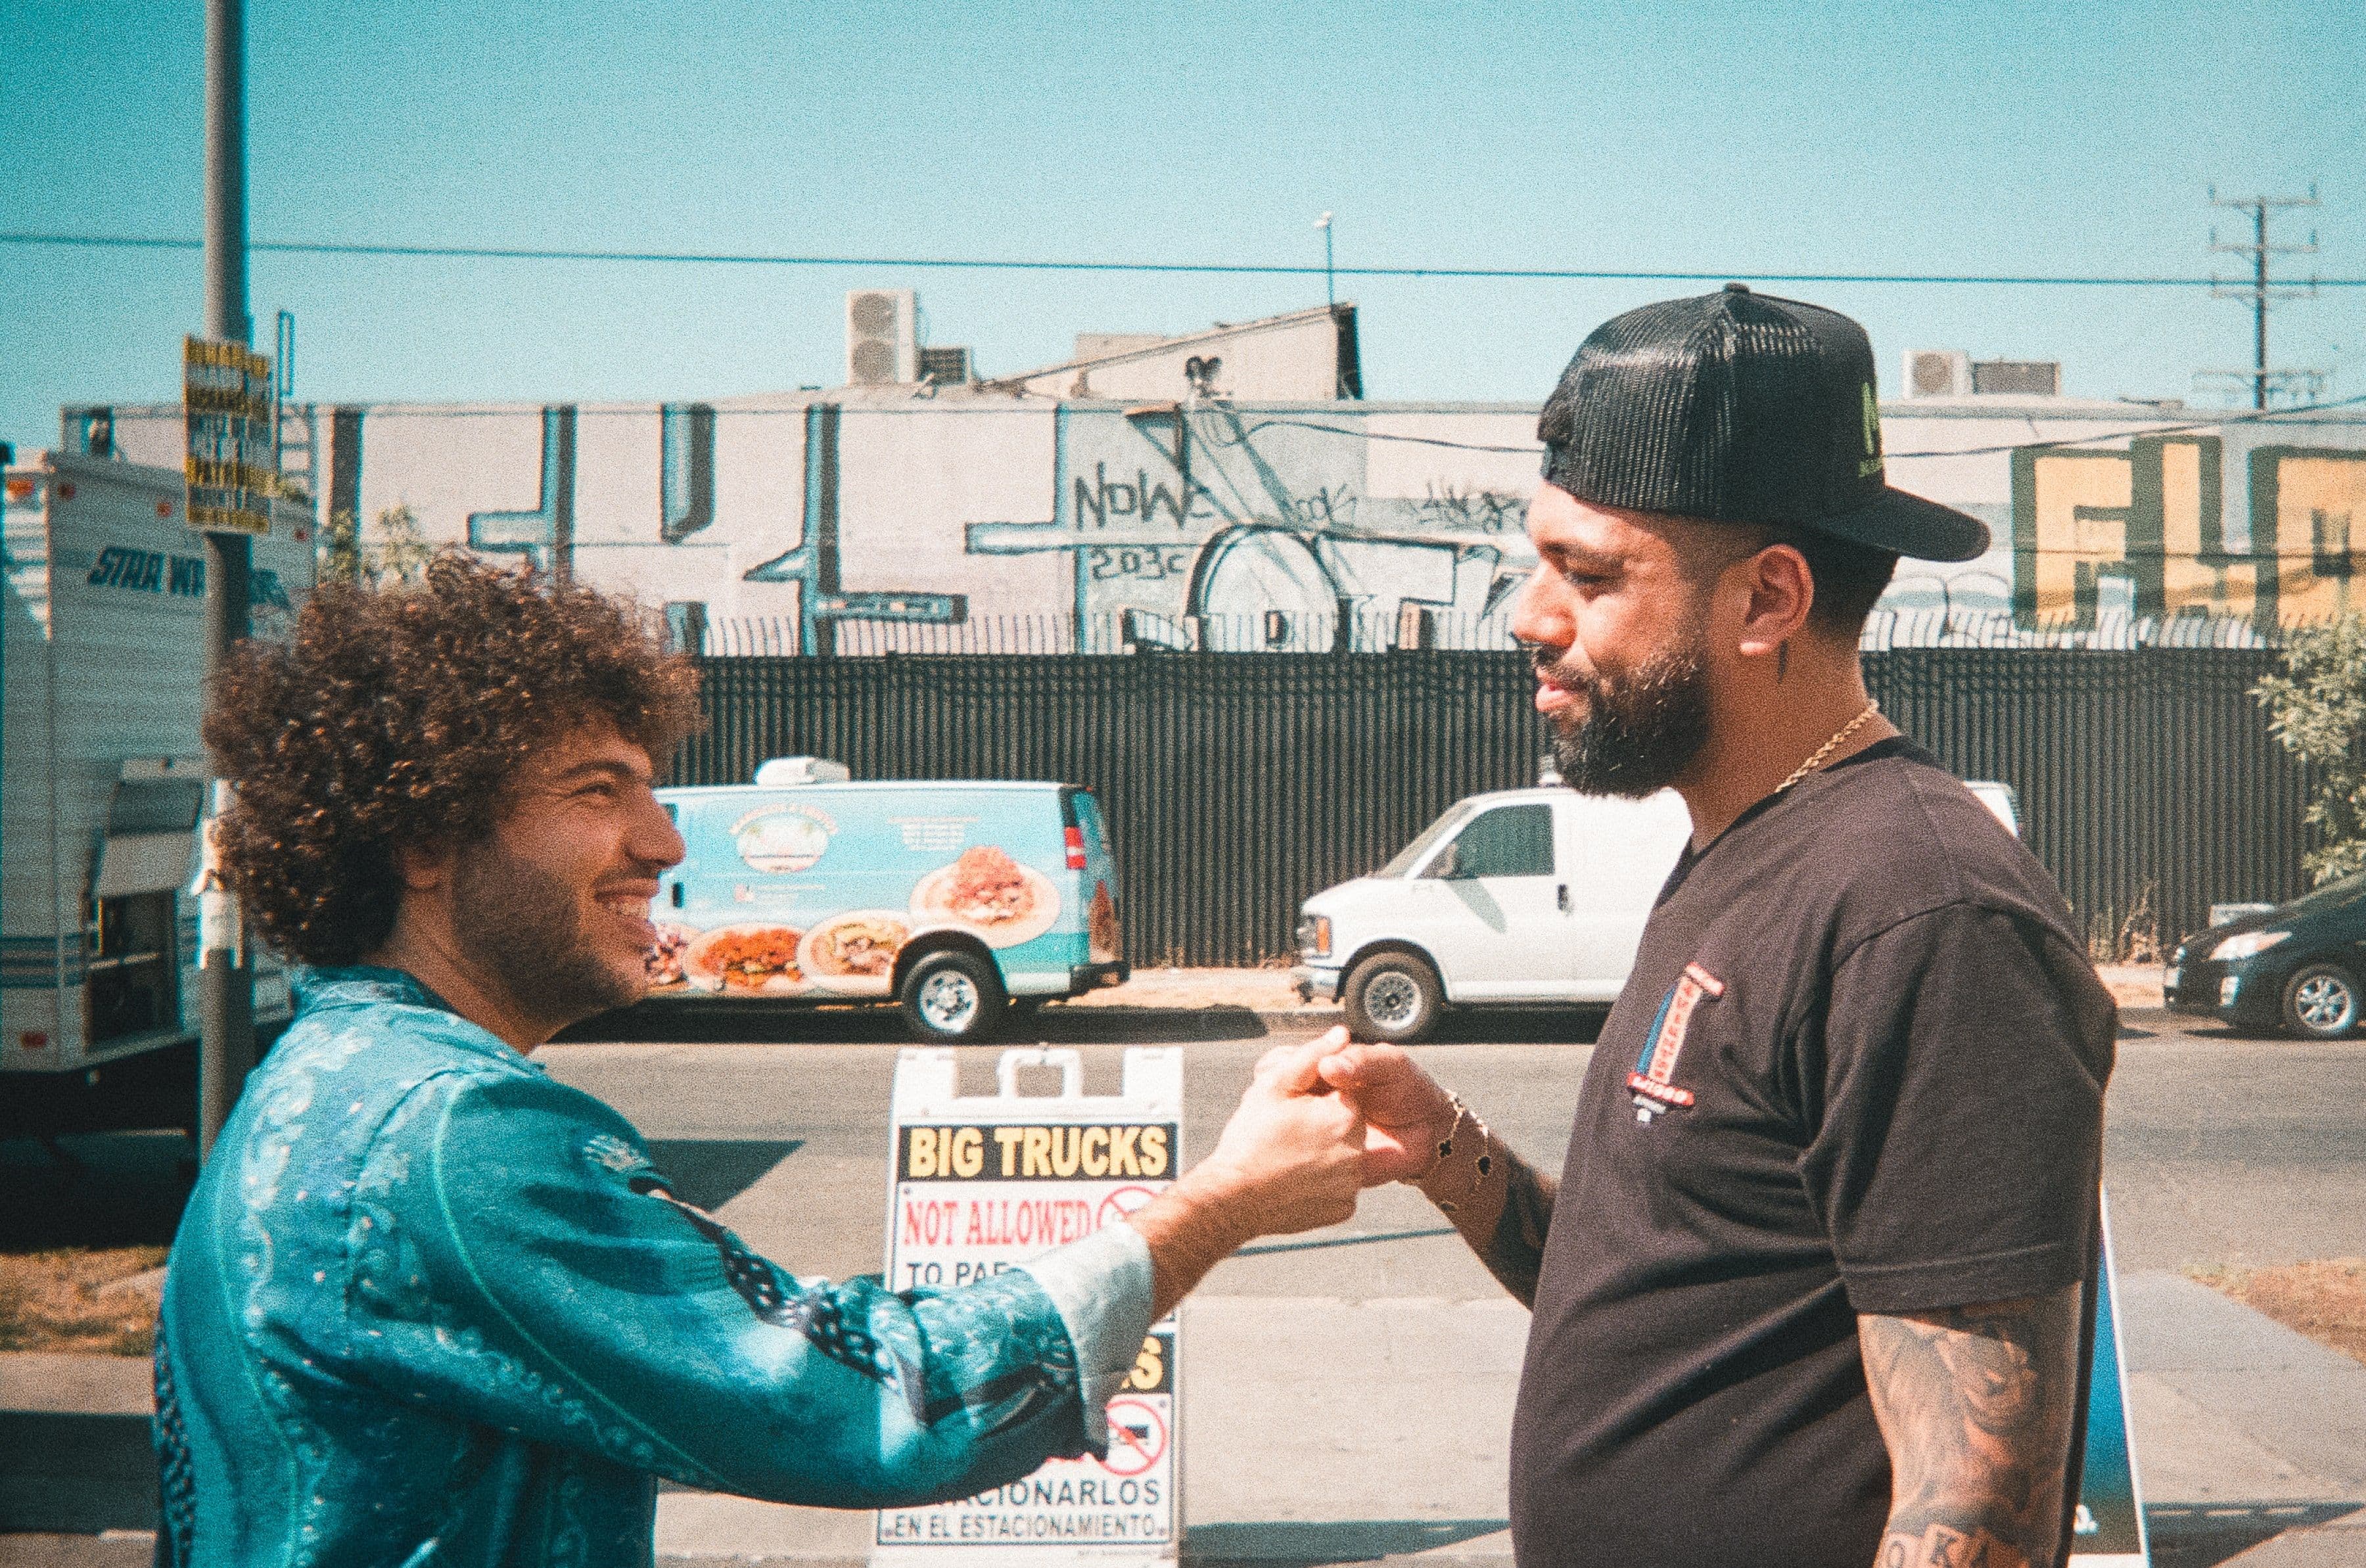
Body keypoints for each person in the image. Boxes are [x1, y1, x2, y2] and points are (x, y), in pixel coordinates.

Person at [158, 556, 1368, 1567]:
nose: (666, 838)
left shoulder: (316, 1080)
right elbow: (873, 1403)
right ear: (424, 830)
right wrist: (1224, 1205)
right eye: (600, 789)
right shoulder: (453, 1135)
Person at [1318, 287, 2117, 1568]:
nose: (1530, 613)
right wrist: (1441, 1147)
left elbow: (1977, 1512)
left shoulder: (1923, 916)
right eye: (1539, 560)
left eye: (1588, 573)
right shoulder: (1741, 844)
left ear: (1768, 600)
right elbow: (1678, 1286)